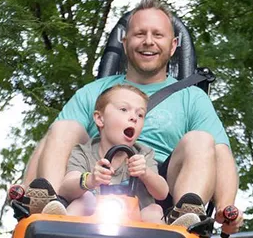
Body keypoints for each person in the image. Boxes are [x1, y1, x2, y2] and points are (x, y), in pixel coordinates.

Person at [23, 0, 243, 233]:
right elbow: (52, 140)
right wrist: (24, 193)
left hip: (158, 194)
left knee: (202, 139)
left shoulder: (192, 98)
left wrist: (226, 208)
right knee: (64, 126)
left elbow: (221, 153)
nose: (148, 41)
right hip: (91, 183)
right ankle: (51, 207)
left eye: (158, 35)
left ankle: (186, 218)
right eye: (140, 34)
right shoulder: (93, 92)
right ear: (125, 42)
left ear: (173, 45)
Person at [57, 84, 170, 225]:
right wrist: (90, 179)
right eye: (124, 109)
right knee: (83, 200)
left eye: (140, 114)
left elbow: (162, 193)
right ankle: (58, 225)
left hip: (137, 228)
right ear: (100, 119)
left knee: (154, 210)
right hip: (90, 225)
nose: (134, 118)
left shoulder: (143, 154)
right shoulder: (84, 152)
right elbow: (65, 189)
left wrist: (145, 173)